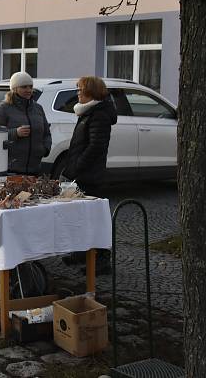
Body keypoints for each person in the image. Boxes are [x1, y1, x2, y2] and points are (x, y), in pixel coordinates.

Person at [0, 71, 52, 257]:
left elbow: (46, 131)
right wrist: (14, 133)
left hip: (33, 168)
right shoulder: (3, 108)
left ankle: (22, 245)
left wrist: (45, 148)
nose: (29, 90)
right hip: (11, 168)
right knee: (4, 209)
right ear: (15, 89)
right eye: (24, 87)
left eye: (30, 86)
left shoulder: (37, 108)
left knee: (27, 209)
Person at [62, 75, 118, 274]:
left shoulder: (99, 114)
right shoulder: (87, 112)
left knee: (94, 218)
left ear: (91, 92)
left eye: (80, 90)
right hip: (82, 173)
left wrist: (78, 165)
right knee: (80, 216)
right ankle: (80, 252)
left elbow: (96, 146)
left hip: (91, 176)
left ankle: (102, 260)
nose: (77, 93)